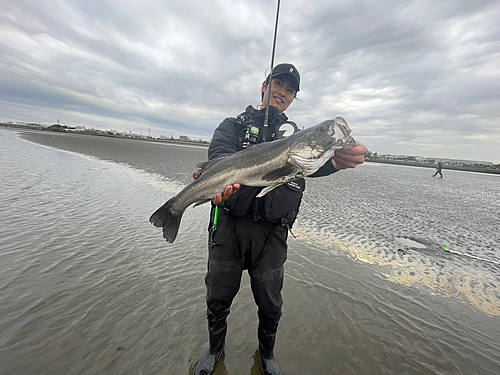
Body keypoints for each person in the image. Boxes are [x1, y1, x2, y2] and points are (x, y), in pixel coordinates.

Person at [193, 63, 367, 375]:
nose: (283, 93)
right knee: (217, 297)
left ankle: (267, 355)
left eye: (290, 90)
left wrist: (342, 158)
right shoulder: (231, 126)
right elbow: (219, 156)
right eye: (278, 84)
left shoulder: (297, 137)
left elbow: (316, 161)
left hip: (272, 235)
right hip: (228, 228)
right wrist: (219, 181)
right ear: (264, 85)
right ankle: (215, 349)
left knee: (271, 305)